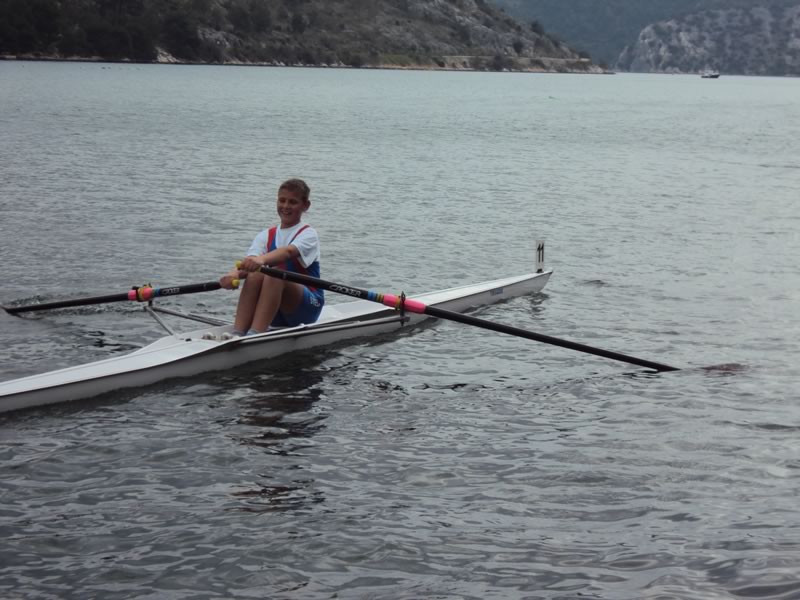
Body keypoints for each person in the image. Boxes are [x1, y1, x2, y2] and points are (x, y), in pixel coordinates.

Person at [219, 178, 323, 335]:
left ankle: (255, 334)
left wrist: (261, 260)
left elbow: (288, 252)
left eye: (293, 202)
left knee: (274, 275)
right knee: (255, 274)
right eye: (282, 200)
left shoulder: (308, 234)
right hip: (275, 309)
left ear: (305, 206)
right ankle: (238, 332)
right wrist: (233, 274)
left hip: (307, 308)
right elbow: (249, 262)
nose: (285, 206)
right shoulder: (266, 235)